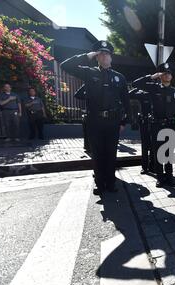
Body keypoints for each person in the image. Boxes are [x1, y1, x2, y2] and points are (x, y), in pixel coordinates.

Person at [60, 40, 130, 196]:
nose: (105, 57)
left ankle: (110, 183)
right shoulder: (89, 72)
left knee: (111, 153)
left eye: (107, 54)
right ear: (97, 57)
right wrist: (87, 56)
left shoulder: (119, 77)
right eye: (101, 54)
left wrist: (125, 121)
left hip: (113, 121)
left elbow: (126, 101)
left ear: (111, 58)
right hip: (95, 121)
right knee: (97, 154)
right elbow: (64, 65)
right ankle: (100, 184)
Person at [133, 63, 175, 187]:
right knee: (158, 152)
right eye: (164, 73)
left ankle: (169, 176)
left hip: (170, 125)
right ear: (160, 75)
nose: (167, 75)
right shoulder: (154, 88)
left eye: (169, 73)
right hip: (156, 125)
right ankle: (160, 177)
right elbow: (135, 84)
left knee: (169, 153)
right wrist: (152, 76)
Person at [129, 87, 154, 175]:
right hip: (145, 122)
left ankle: (152, 166)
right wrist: (138, 87)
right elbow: (129, 94)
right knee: (145, 146)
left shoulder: (157, 91)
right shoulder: (143, 94)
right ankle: (144, 167)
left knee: (154, 146)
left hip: (155, 123)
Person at [74, 85, 91, 153]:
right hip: (91, 114)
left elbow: (77, 95)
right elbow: (77, 95)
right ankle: (88, 147)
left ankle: (89, 147)